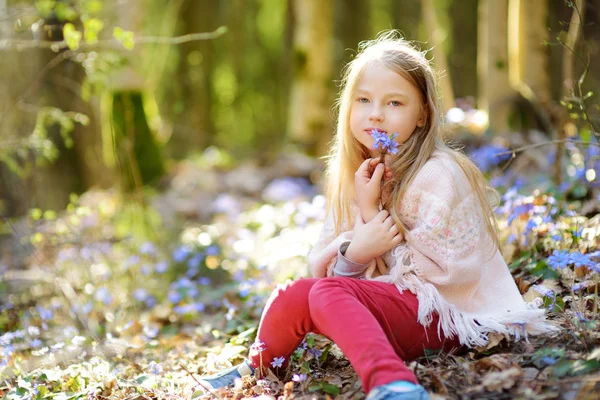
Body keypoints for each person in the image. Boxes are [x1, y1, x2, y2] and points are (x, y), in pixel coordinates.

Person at [196, 31, 557, 400]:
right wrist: (356, 251)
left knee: (325, 292)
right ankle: (256, 367)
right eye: (363, 100)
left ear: (422, 115)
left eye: (395, 103)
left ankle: (393, 384)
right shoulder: (357, 176)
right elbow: (337, 276)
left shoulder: (439, 173)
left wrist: (373, 218)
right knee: (293, 294)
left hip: (449, 316)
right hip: (394, 313)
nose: (376, 114)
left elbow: (451, 276)